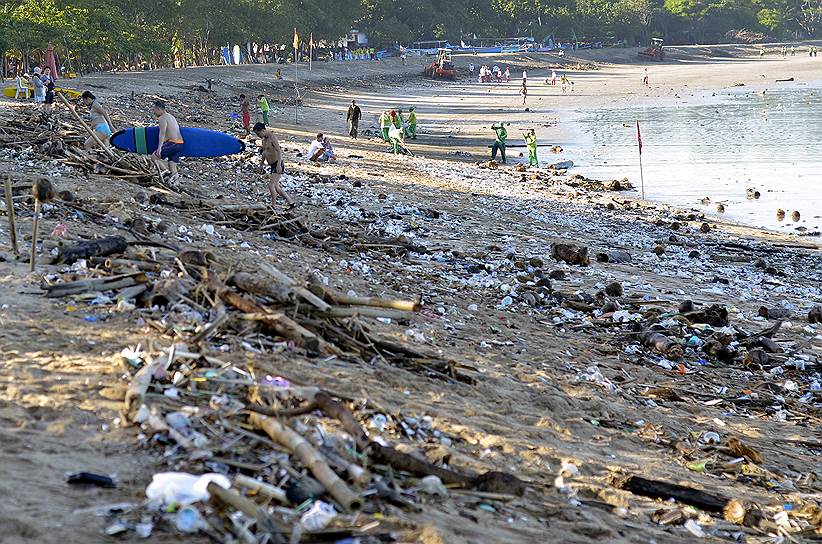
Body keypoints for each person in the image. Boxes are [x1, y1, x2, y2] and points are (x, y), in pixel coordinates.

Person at [253, 122, 294, 208]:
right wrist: (261, 164)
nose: (258, 136)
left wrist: (279, 165)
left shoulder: (272, 138)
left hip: (277, 164)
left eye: (258, 133)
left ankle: (273, 205)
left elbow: (279, 151)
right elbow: (264, 152)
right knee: (276, 187)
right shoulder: (264, 140)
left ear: (263, 130)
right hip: (272, 165)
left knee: (271, 185)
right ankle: (291, 202)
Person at [151, 100, 184, 182]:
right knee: (172, 165)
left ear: (159, 109)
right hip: (180, 144)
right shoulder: (171, 117)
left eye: (154, 110)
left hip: (173, 143)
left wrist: (159, 148)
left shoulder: (162, 118)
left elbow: (162, 133)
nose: (153, 112)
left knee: (154, 157)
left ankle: (166, 172)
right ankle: (176, 182)